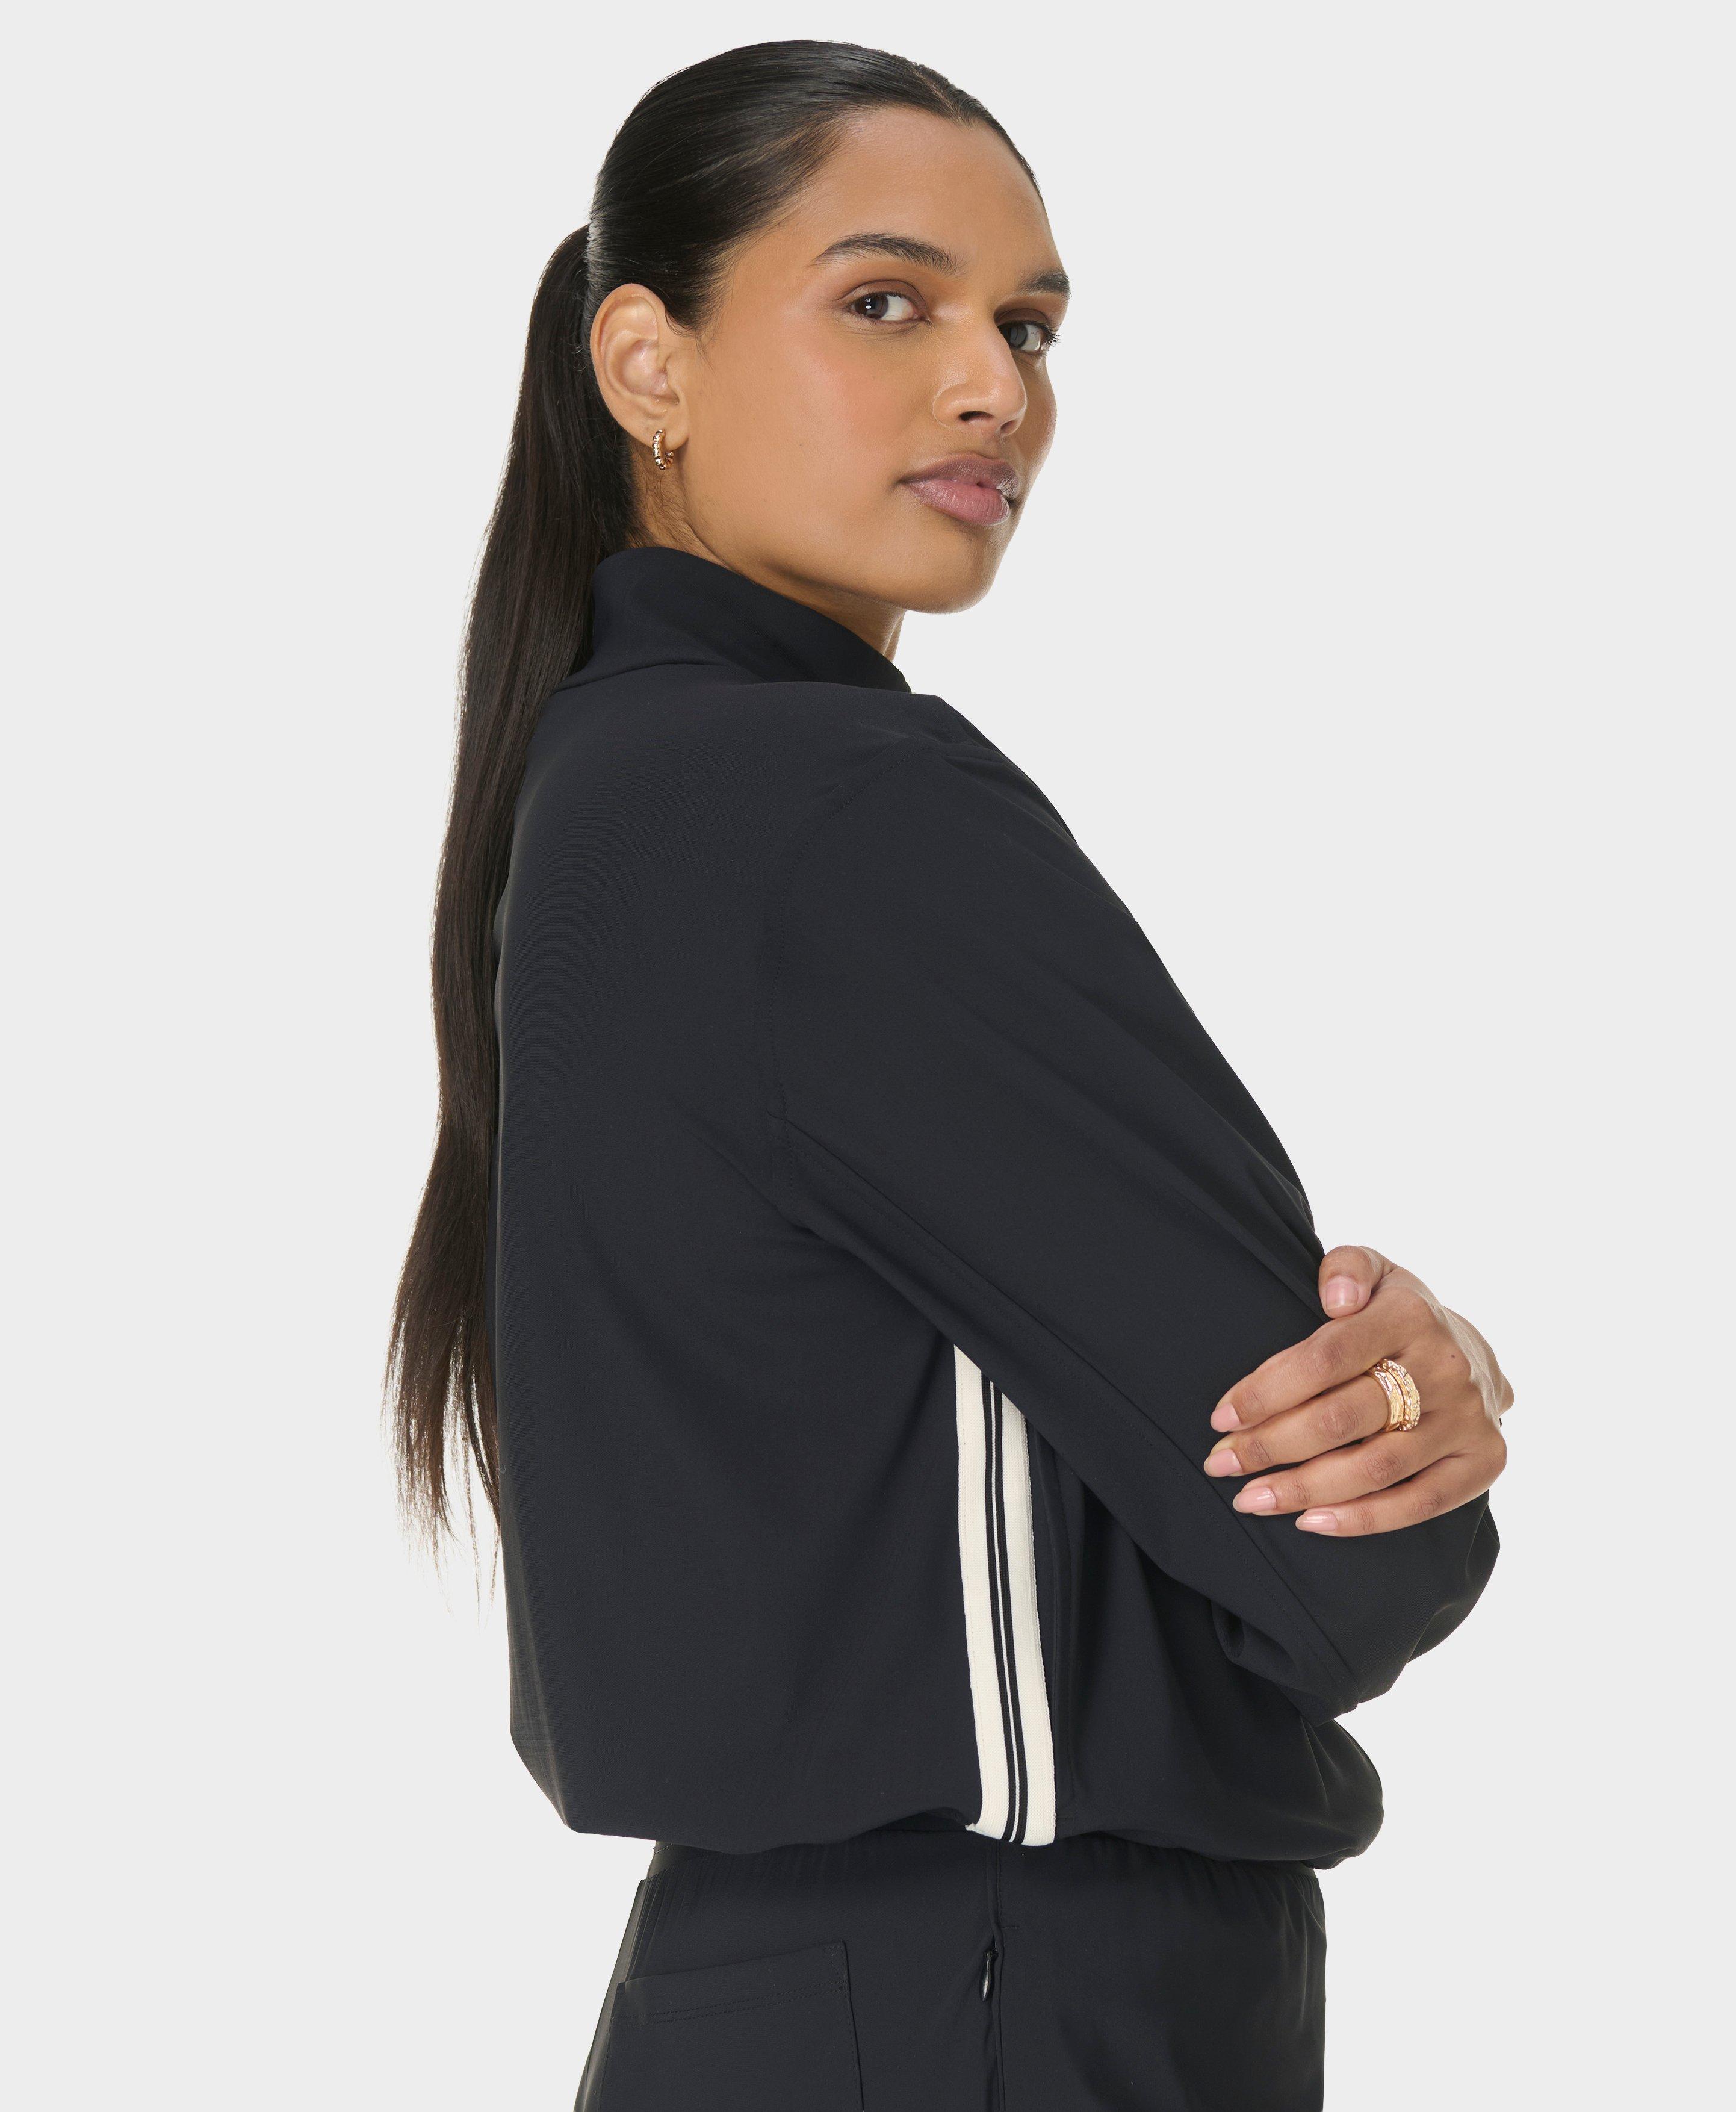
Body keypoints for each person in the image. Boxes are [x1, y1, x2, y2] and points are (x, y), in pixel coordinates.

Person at [388, 39, 1510, 2112]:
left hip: (813, 1985)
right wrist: (1400, 1423)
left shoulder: (618, 778)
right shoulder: (821, 802)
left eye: (1029, 326)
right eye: (886, 302)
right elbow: (1352, 1556)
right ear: (644, 360)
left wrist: (1371, 1386)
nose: (994, 386)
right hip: (1007, 1983)